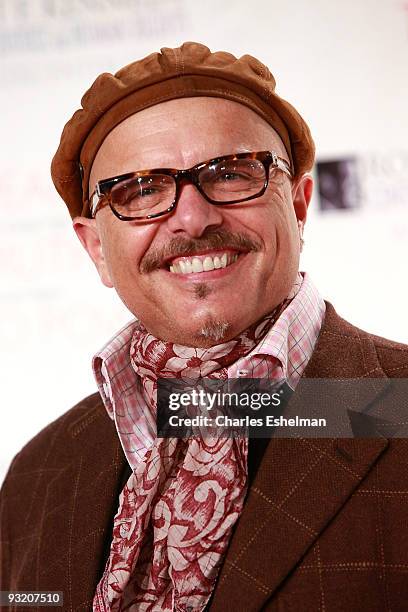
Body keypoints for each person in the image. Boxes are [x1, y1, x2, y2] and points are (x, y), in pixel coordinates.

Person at [1, 42, 408, 612]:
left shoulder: (399, 404)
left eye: (232, 174)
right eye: (140, 191)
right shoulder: (35, 476)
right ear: (96, 247)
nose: (193, 218)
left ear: (297, 203)